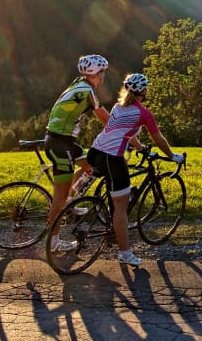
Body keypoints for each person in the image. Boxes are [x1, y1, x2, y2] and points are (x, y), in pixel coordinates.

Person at [87, 72, 184, 266]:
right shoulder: (144, 113)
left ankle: (112, 228)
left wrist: (140, 148)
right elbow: (158, 138)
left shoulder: (118, 107)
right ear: (144, 91)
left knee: (116, 196)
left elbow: (125, 132)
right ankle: (124, 253)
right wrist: (172, 156)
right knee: (121, 208)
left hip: (95, 152)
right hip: (112, 158)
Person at [44, 54, 110, 252]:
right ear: (97, 74)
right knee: (59, 198)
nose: (103, 76)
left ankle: (71, 202)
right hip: (59, 144)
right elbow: (103, 117)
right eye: (102, 72)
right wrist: (123, 132)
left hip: (64, 141)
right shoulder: (87, 91)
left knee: (91, 164)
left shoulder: (79, 84)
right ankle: (53, 242)